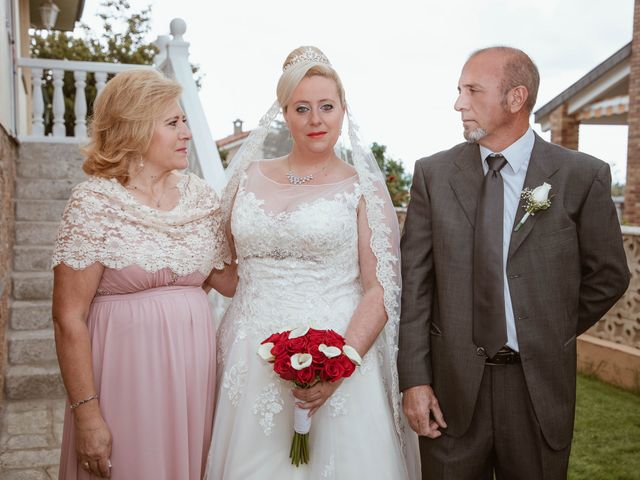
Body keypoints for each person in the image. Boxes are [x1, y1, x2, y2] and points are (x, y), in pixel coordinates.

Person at [398, 46, 630, 479]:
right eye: (459, 90)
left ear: (515, 98)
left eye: (472, 90)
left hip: (538, 389)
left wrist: (546, 324)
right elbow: (415, 285)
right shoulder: (433, 174)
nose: (458, 103)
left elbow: (609, 276)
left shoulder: (582, 176)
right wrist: (414, 380)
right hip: (451, 391)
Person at [205, 46, 419, 479]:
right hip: (248, 360)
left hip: (336, 350)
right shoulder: (245, 178)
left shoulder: (365, 188)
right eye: (302, 108)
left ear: (343, 110)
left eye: (326, 107)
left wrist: (339, 364)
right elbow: (223, 272)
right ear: (284, 112)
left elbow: (381, 289)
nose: (315, 119)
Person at [52, 68, 235, 479]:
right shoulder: (94, 204)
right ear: (134, 129)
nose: (186, 132)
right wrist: (87, 415)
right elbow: (68, 319)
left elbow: (232, 281)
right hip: (124, 378)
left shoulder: (200, 197)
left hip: (192, 380)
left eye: (184, 120)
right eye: (172, 123)